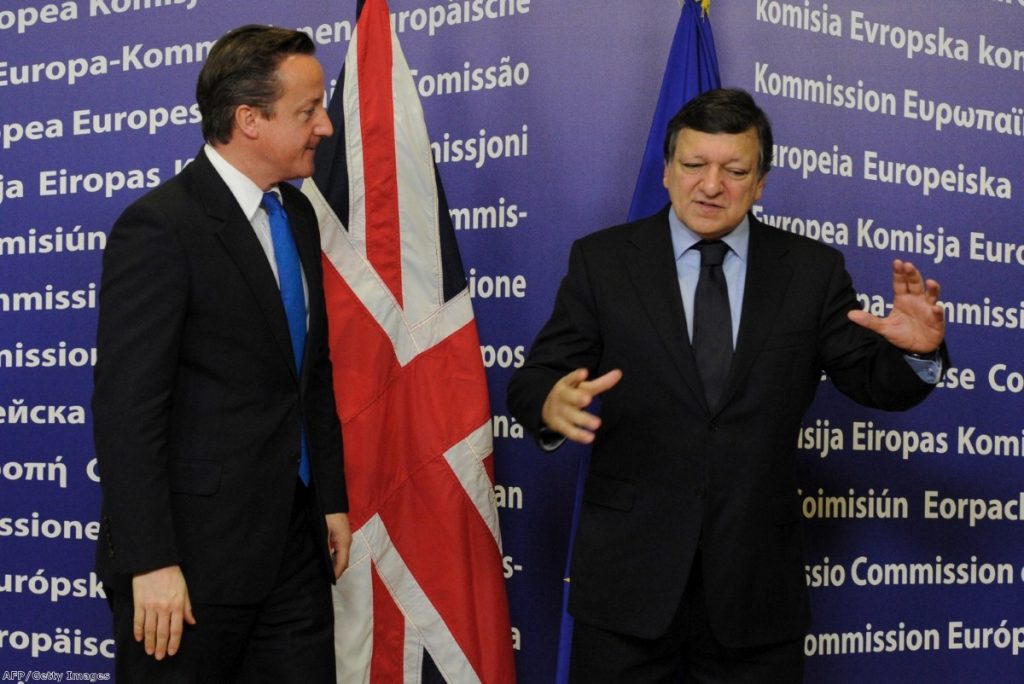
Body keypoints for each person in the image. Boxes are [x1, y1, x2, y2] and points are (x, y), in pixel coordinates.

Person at [507, 88, 947, 682]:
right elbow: (536, 377)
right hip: (627, 587)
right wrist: (550, 403)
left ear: (760, 181)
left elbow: (872, 380)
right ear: (666, 172)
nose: (711, 185)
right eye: (694, 166)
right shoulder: (604, 261)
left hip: (756, 594)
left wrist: (918, 356)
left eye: (735, 170)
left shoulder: (811, 271)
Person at [92, 25, 349, 683]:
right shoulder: (161, 227)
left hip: (293, 552)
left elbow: (308, 374)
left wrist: (331, 501)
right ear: (250, 119)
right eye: (307, 111)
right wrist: (149, 561)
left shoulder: (295, 215)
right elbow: (128, 409)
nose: (324, 125)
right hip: (189, 567)